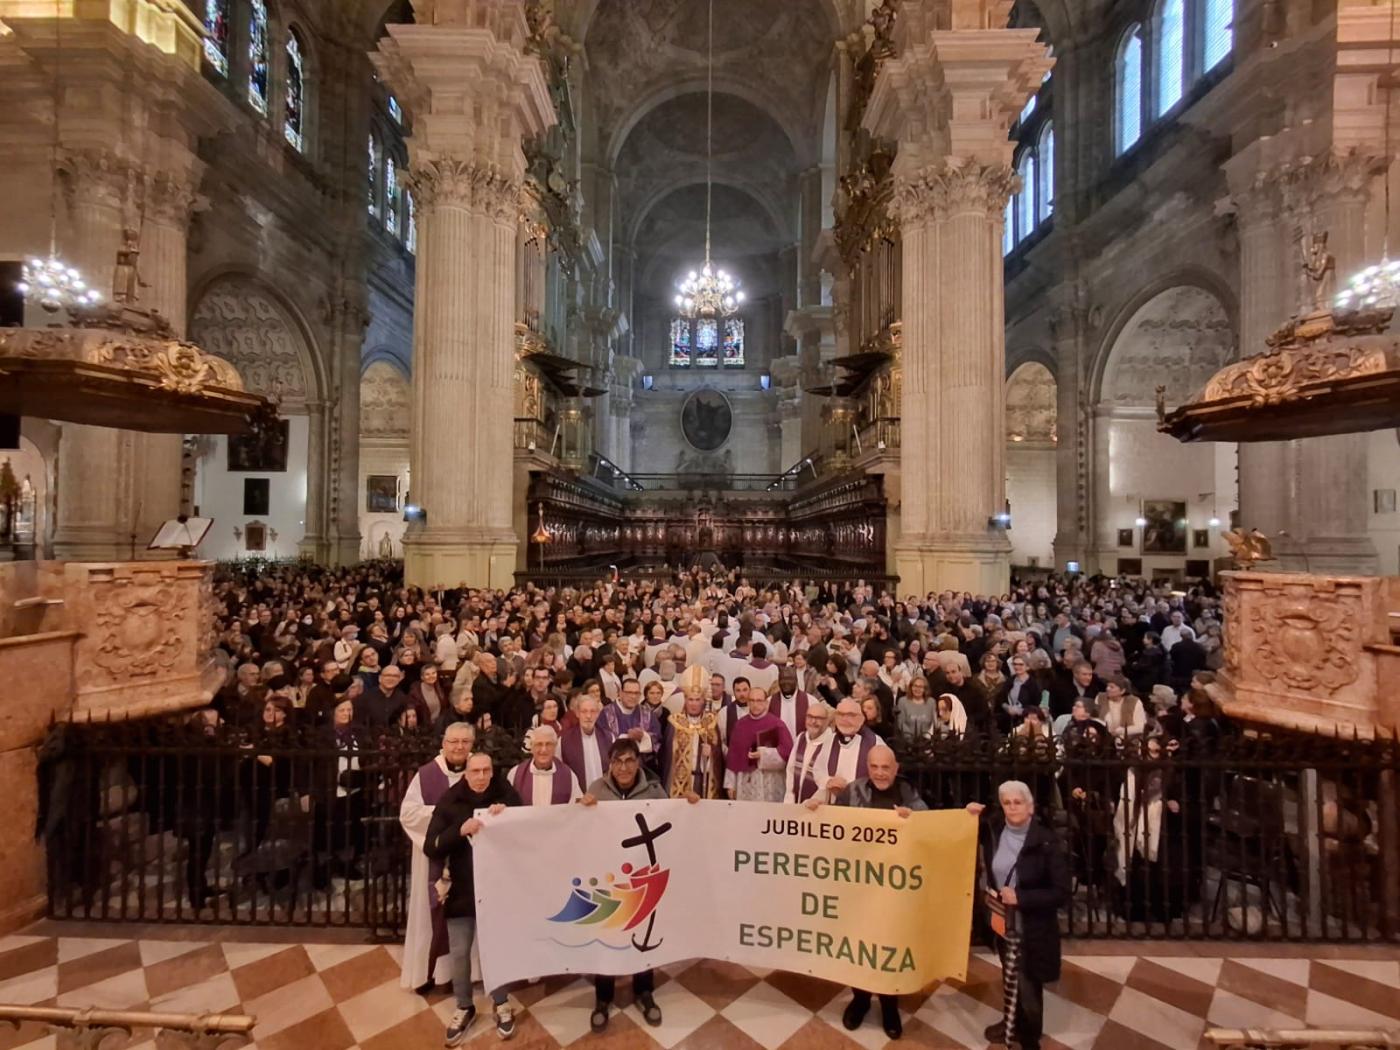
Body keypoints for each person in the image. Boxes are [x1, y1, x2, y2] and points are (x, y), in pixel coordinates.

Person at [578, 738, 698, 1032]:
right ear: (610, 764)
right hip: (609, 880)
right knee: (607, 936)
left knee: (643, 935)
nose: (624, 767)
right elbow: (579, 830)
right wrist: (580, 808)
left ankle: (644, 992)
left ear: (638, 762)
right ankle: (603, 997)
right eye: (617, 761)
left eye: (630, 760)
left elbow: (672, 823)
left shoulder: (654, 791)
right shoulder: (596, 790)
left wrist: (690, 807)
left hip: (642, 879)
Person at [808, 744, 924, 1039]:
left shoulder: (908, 792)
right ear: (867, 768)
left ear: (896, 768)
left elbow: (929, 824)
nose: (880, 773)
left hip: (893, 890)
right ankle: (860, 1000)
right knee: (858, 944)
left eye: (886, 767)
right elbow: (833, 825)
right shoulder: (853, 791)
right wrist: (816, 812)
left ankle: (889, 1005)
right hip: (858, 886)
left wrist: (913, 820)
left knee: (889, 946)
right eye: (874, 767)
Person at [424, 750, 523, 1044]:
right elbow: (431, 846)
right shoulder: (450, 800)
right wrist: (459, 830)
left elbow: (523, 829)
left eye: (485, 771)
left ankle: (501, 1003)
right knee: (459, 952)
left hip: (496, 888)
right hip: (462, 888)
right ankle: (464, 1006)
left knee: (496, 949)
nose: (481, 777)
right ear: (465, 773)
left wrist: (507, 815)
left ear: (492, 771)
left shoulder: (505, 793)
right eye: (475, 771)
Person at [966, 781, 1069, 1050]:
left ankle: (1030, 1037)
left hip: (1031, 926)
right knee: (1010, 976)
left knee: (1028, 983)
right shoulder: (995, 830)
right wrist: (968, 814)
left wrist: (1021, 897)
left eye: (1018, 802)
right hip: (1003, 921)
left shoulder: (1046, 841)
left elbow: (1061, 892)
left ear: (1030, 807)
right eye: (1007, 803)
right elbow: (963, 828)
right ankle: (1012, 1022)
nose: (1012, 808)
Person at [399, 721, 473, 993]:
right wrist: (446, 818)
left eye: (465, 742)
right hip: (435, 857)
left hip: (467, 858)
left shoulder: (478, 771)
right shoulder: (427, 774)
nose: (459, 747)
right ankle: (429, 974)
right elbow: (408, 814)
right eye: (454, 741)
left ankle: (465, 974)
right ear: (443, 743)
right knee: (431, 913)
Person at [722, 688, 793, 801]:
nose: (755, 704)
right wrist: (730, 784)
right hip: (745, 782)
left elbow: (787, 754)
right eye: (752, 700)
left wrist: (763, 754)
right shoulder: (740, 725)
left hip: (770, 782)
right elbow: (733, 757)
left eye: (759, 701)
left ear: (766, 703)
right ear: (748, 702)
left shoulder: (777, 724)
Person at [821, 699, 884, 802]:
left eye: (851, 715)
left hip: (863, 804)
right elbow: (818, 769)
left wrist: (851, 789)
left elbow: (884, 776)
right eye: (841, 714)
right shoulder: (829, 740)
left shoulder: (875, 743)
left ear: (861, 719)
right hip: (833, 803)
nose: (845, 719)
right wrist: (828, 781)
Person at [506, 724, 580, 805]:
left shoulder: (568, 775)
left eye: (548, 744)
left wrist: (585, 801)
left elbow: (577, 805)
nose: (544, 750)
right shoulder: (515, 774)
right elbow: (507, 805)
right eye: (539, 744)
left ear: (555, 747)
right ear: (532, 747)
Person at [559, 694, 613, 791]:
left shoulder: (609, 738)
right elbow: (560, 772)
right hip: (578, 795)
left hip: (605, 794)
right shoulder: (564, 741)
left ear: (597, 714)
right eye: (584, 711)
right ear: (577, 713)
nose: (588, 716)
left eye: (592, 711)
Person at [783, 700, 833, 804]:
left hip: (818, 805)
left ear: (827, 721)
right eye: (810, 717)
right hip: (796, 803)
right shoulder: (801, 738)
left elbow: (827, 781)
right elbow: (791, 770)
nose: (813, 721)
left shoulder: (832, 743)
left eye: (818, 718)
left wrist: (814, 801)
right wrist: (789, 798)